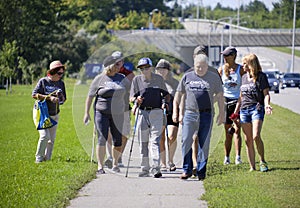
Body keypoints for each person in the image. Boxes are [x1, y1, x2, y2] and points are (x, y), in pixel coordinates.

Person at [173, 54, 224, 180]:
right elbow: (178, 96)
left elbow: (220, 95)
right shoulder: (187, 76)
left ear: (207, 66)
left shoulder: (213, 77)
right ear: (194, 66)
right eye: (197, 67)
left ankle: (201, 172)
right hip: (189, 113)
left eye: (202, 67)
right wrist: (177, 112)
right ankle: (187, 169)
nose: (200, 69)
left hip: (206, 114)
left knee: (204, 143)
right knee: (185, 141)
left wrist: (222, 113)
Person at [83, 55, 131, 174]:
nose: (118, 66)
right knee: (102, 139)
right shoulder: (99, 79)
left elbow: (130, 92)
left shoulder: (122, 78)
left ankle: (115, 163)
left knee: (118, 140)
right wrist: (86, 113)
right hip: (102, 113)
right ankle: (100, 166)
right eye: (116, 65)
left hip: (118, 113)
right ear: (110, 66)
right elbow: (90, 97)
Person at [130, 57, 169, 178]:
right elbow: (131, 97)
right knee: (143, 142)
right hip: (142, 113)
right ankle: (144, 169)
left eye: (146, 68)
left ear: (151, 68)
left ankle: (156, 168)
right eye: (142, 68)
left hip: (156, 112)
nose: (144, 70)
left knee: (155, 141)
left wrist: (164, 103)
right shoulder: (136, 80)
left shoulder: (158, 79)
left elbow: (166, 95)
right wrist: (136, 100)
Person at [232, 53, 272, 172]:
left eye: (244, 63)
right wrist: (235, 113)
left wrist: (267, 105)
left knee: (256, 136)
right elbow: (241, 97)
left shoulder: (261, 77)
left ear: (251, 64)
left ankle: (262, 161)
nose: (242, 66)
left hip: (257, 108)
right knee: (248, 139)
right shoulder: (244, 77)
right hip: (244, 110)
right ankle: (252, 167)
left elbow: (266, 94)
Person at [104, 51, 135, 168]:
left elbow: (134, 88)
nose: (118, 62)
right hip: (108, 108)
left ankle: (119, 155)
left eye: (120, 60)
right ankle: (111, 157)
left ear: (123, 61)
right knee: (109, 133)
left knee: (125, 133)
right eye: (116, 60)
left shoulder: (129, 74)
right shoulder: (107, 73)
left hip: (125, 107)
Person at [32, 60, 67, 163]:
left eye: (62, 73)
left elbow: (64, 100)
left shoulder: (61, 83)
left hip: (54, 114)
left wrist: (61, 97)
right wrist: (49, 98)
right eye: (59, 73)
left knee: (51, 139)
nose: (61, 75)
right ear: (52, 72)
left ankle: (48, 159)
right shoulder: (43, 81)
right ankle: (38, 158)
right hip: (41, 113)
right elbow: (34, 94)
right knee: (44, 136)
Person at [218, 46, 245, 165]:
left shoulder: (241, 69)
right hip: (226, 102)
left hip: (238, 101)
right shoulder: (221, 70)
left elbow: (245, 86)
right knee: (228, 131)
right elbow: (218, 87)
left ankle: (238, 157)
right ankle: (227, 157)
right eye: (223, 55)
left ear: (233, 56)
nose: (224, 57)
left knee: (237, 129)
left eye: (227, 55)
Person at [155, 59, 179, 172]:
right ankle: (163, 163)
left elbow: (180, 98)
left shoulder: (175, 83)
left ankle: (171, 160)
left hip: (172, 113)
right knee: (161, 139)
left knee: (172, 136)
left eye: (163, 69)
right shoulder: (154, 82)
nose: (161, 71)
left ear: (168, 70)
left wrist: (178, 112)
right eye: (159, 69)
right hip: (158, 113)